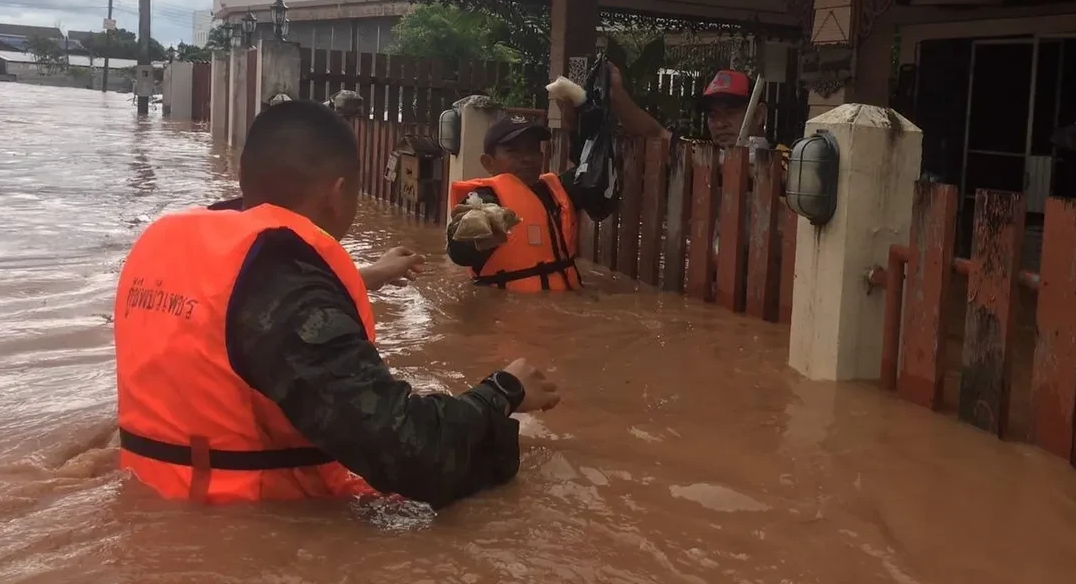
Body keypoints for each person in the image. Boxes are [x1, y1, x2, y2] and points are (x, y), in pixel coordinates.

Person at [115, 99, 559, 508]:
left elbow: (244, 318)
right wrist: (502, 392)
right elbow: (414, 455)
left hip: (156, 499)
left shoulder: (177, 247)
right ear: (338, 193)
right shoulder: (290, 289)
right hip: (256, 527)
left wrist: (371, 276)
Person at [446, 115, 617, 291]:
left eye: (532, 149)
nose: (527, 158)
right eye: (513, 151)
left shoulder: (560, 190)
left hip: (566, 302)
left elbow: (596, 174)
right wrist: (475, 236)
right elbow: (459, 253)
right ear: (488, 163)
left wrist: (575, 121)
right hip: (508, 306)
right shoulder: (483, 199)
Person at [609, 67, 771, 150]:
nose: (720, 124)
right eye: (713, 115)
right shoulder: (699, 156)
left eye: (730, 113)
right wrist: (617, 95)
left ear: (759, 114)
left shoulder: (784, 166)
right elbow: (655, 133)